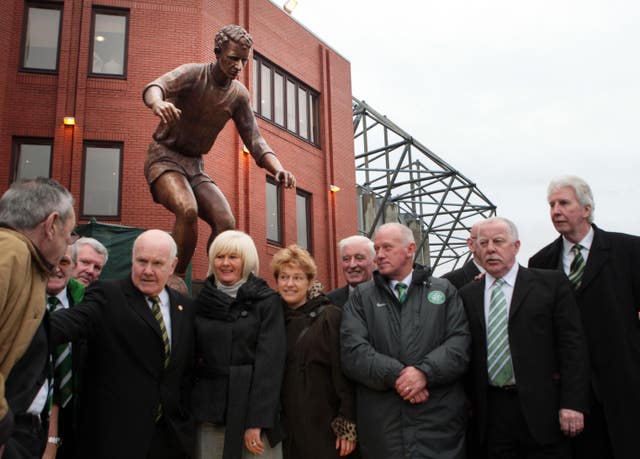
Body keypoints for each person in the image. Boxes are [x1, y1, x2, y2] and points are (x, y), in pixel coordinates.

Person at [143, 24, 296, 276]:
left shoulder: (238, 96)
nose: (238, 66)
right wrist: (157, 102)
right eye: (233, 58)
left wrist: (278, 169)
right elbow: (156, 86)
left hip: (194, 165)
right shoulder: (193, 74)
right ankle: (176, 278)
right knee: (187, 208)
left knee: (226, 222)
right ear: (217, 52)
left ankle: (217, 281)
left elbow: (255, 140)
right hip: (164, 158)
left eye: (244, 61)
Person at [49, 230, 195, 459]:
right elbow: (71, 322)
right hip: (114, 440)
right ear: (132, 258)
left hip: (169, 442)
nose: (147, 270)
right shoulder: (107, 295)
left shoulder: (185, 308)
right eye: (142, 261)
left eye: (157, 263)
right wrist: (24, 325)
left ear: (173, 264)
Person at [459, 217, 589, 458]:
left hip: (545, 411)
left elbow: (572, 346)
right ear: (475, 248)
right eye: (483, 243)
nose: (490, 249)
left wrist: (573, 402)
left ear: (516, 246)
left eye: (498, 241)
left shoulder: (550, 285)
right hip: (491, 412)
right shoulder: (467, 295)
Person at [529, 176, 640, 459]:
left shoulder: (629, 251)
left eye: (564, 203)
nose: (555, 211)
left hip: (624, 382)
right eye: (551, 204)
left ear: (587, 209)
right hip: (570, 393)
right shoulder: (541, 263)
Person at [341, 222, 470, 459]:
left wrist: (424, 373)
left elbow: (459, 344)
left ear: (410, 249)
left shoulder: (445, 290)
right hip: (383, 428)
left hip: (438, 426)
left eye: (387, 248)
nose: (379, 255)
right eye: (377, 248)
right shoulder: (361, 297)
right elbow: (354, 352)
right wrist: (400, 376)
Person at [0, 177, 76, 458]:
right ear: (51, 224)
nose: (68, 243)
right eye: (69, 234)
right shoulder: (11, 254)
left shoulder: (25, 260)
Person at [192, 230, 285, 459]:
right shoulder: (200, 301)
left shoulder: (267, 301)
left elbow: (270, 365)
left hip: (253, 415)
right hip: (210, 412)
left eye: (233, 257)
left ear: (247, 261)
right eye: (220, 257)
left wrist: (257, 421)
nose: (225, 263)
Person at [271, 245, 357, 459]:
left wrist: (346, 425)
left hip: (321, 425)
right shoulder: (271, 318)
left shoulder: (329, 316)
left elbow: (343, 372)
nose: (289, 284)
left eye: (297, 278)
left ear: (310, 282)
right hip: (283, 426)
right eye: (284, 277)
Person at [42, 246, 86, 459]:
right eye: (51, 260)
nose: (56, 268)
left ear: (74, 267)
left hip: (76, 417)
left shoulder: (88, 304)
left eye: (64, 262)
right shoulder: (18, 299)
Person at [327, 235, 375, 307]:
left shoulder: (390, 296)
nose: (352, 265)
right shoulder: (329, 301)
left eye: (359, 258)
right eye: (346, 259)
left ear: (374, 261)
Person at [442, 220, 485, 289]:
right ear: (471, 244)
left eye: (499, 241)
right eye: (484, 242)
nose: (492, 248)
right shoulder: (447, 284)